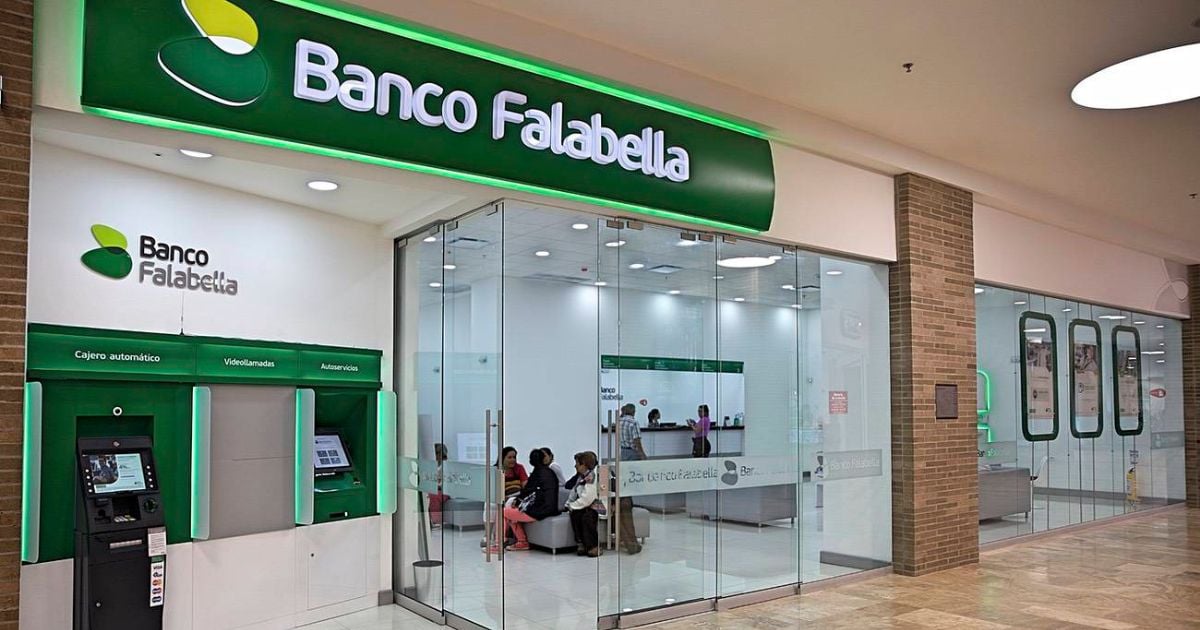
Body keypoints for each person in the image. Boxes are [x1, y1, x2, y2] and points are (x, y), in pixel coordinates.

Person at [488, 449, 559, 553]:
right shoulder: (549, 472)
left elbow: (527, 491)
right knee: (511, 512)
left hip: (539, 511)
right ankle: (521, 542)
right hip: (550, 509)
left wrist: (517, 501)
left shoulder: (537, 473)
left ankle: (499, 544)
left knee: (502, 512)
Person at [482, 446, 527, 548]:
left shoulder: (519, 468)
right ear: (502, 458)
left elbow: (525, 486)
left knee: (509, 504)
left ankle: (502, 537)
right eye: (509, 457)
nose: (513, 460)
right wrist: (502, 497)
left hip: (516, 496)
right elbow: (493, 488)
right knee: (490, 504)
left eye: (514, 457)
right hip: (501, 495)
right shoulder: (496, 470)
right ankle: (487, 535)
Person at [615, 403, 644, 554]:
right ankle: (629, 499)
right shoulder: (633, 422)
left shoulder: (618, 421)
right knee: (633, 480)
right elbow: (637, 441)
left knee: (624, 479)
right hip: (632, 453)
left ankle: (627, 497)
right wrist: (642, 455)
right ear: (633, 411)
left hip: (623, 452)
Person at [565, 450, 603, 557]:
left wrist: (573, 506)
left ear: (584, 465)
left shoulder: (592, 477)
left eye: (577, 463)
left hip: (598, 506)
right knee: (575, 514)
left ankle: (593, 546)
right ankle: (581, 543)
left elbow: (588, 498)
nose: (575, 466)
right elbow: (574, 492)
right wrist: (568, 505)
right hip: (586, 505)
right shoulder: (581, 477)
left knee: (587, 516)